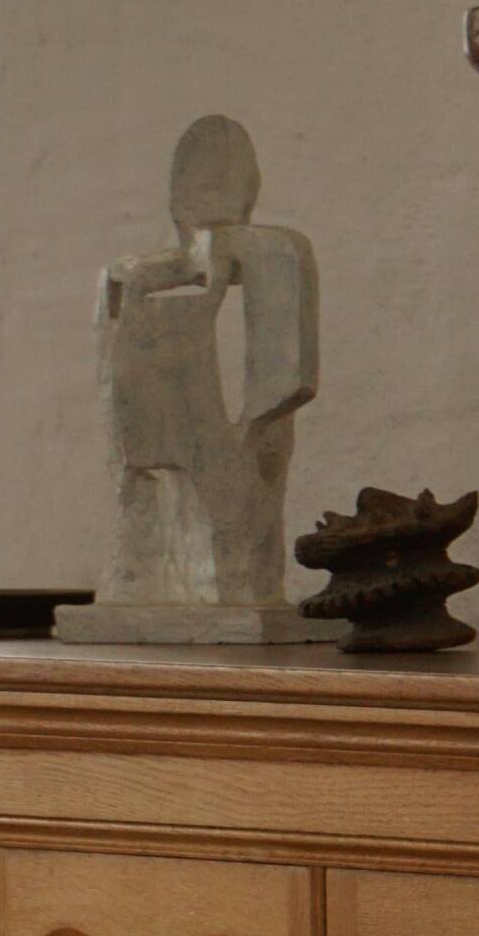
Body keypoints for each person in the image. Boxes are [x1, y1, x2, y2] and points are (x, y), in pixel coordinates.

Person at [94, 116, 319, 616]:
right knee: (154, 506)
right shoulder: (128, 276)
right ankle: (146, 580)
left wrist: (253, 427)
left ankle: (227, 580)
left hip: (235, 437)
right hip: (175, 440)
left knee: (234, 517)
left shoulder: (276, 250)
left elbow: (288, 377)